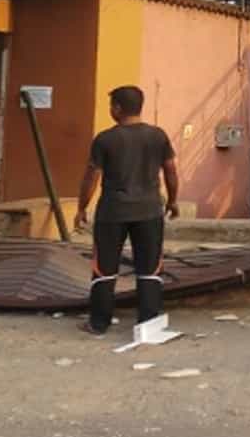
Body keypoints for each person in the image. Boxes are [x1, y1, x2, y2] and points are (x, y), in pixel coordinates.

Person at [74, 86, 179, 336]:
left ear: (118, 108)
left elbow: (92, 176)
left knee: (104, 268)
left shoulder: (105, 139)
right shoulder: (158, 136)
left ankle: (99, 323)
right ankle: (148, 323)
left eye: (111, 105)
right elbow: (170, 170)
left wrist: (82, 207)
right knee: (150, 268)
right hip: (150, 211)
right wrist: (172, 201)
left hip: (113, 212)